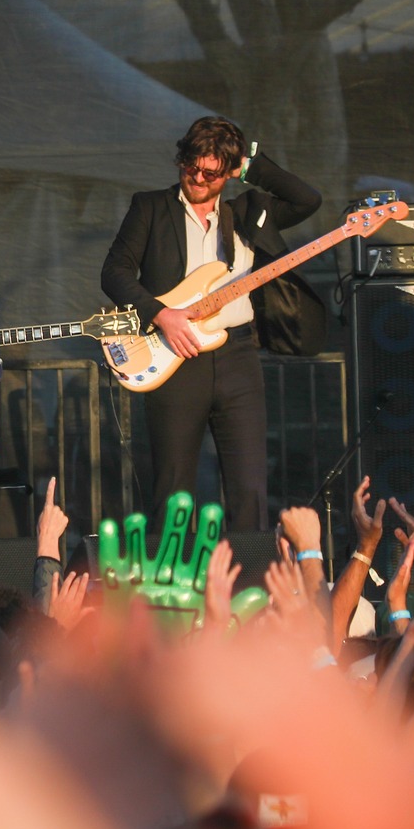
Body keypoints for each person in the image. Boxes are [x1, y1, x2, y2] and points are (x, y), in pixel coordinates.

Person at [100, 115, 320, 529]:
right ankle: (170, 591)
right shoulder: (150, 207)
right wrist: (161, 315)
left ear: (228, 173)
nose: (197, 178)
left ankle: (250, 585)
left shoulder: (247, 210)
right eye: (190, 167)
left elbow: (307, 200)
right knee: (173, 490)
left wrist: (250, 166)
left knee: (249, 487)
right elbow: (114, 272)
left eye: (211, 172)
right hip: (175, 354)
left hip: (237, 355)